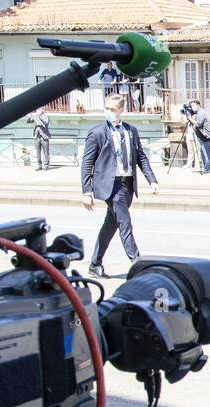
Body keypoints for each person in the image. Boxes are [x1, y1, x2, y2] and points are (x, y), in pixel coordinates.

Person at [80, 93, 159, 278]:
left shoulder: (131, 131)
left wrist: (152, 180)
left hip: (127, 185)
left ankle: (94, 264)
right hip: (110, 186)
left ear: (121, 110)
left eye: (112, 109)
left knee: (110, 226)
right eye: (106, 108)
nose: (108, 112)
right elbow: (87, 163)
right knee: (125, 223)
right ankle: (138, 265)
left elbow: (141, 157)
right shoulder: (97, 132)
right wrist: (86, 191)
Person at [189, 99, 210, 174]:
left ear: (198, 105)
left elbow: (199, 124)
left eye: (193, 105)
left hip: (206, 136)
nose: (192, 107)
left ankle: (208, 169)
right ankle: (206, 168)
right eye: (191, 106)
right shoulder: (199, 113)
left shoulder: (201, 112)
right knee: (203, 153)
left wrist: (190, 118)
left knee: (206, 153)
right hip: (202, 136)